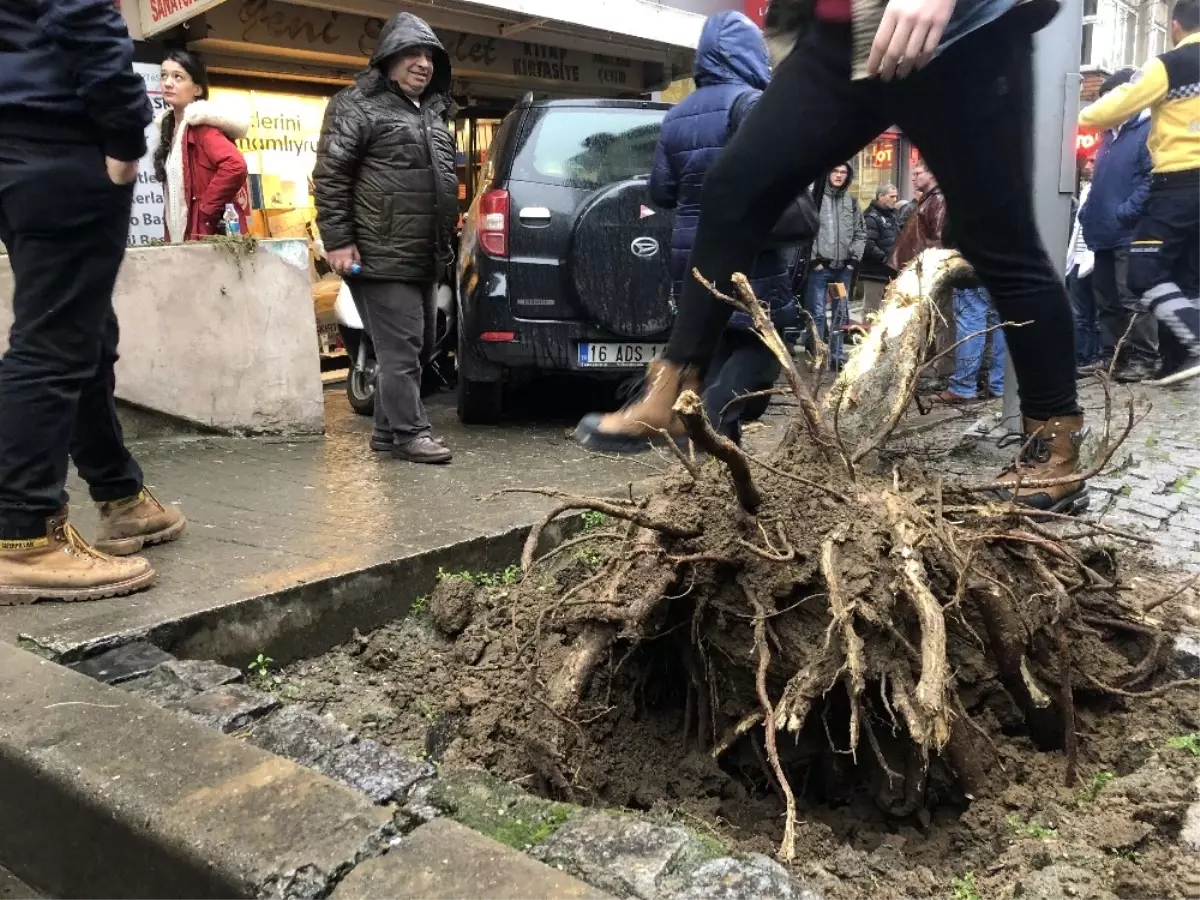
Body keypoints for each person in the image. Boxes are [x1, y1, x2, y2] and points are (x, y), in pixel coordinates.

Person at [576, 0, 1088, 515]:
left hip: (956, 32)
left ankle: (1054, 449)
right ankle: (675, 390)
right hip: (844, 32)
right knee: (734, 189)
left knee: (999, 240)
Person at [0, 0, 187, 603]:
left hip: (18, 138)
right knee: (54, 338)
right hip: (58, 133)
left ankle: (118, 491)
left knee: (81, 327)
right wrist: (124, 130)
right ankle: (22, 533)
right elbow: (81, 11)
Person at [650, 11, 818, 444]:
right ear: (750, 55)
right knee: (764, 348)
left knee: (720, 354)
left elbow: (661, 193)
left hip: (693, 262)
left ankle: (720, 473)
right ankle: (703, 422)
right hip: (750, 258)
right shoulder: (754, 104)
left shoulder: (675, 116)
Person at [314, 12, 458, 464]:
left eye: (430, 55)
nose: (423, 63)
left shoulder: (432, 114)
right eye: (413, 53)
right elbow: (331, 176)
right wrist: (338, 241)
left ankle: (385, 432)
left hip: (424, 254)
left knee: (420, 345)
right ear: (389, 57)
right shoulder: (356, 105)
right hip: (380, 253)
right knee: (403, 349)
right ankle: (411, 433)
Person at [1081, 0, 1200, 387]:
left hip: (1180, 183)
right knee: (1188, 278)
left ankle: (1194, 338)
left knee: (1144, 274)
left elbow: (1103, 112)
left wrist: (1065, 112)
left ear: (1175, 25)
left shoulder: (1170, 65)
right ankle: (1178, 361)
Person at [1078, 69, 1155, 383]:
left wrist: (1127, 211)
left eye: (1107, 99)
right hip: (1103, 232)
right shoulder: (1109, 136)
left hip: (1130, 233)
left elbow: (1154, 177)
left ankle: (1145, 358)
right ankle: (1113, 357)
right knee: (1106, 299)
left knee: (1131, 297)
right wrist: (1089, 215)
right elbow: (1100, 183)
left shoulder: (1147, 130)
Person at [154, 51, 250, 243]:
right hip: (181, 237)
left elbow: (235, 165)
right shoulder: (170, 129)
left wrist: (205, 212)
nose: (167, 83)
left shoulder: (202, 128)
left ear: (197, 89)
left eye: (177, 77)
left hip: (206, 238)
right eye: (164, 75)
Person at [805, 163, 865, 369]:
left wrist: (853, 261)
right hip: (821, 267)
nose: (839, 176)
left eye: (843, 173)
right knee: (818, 314)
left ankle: (837, 357)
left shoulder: (852, 201)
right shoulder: (815, 200)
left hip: (843, 269)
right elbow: (807, 233)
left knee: (840, 313)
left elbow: (860, 233)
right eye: (835, 171)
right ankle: (819, 354)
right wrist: (814, 261)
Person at [1067, 157, 1104, 374]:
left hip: (1097, 257)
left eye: (1092, 161)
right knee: (1080, 315)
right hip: (1078, 259)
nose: (1087, 167)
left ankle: (1099, 358)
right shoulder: (1086, 190)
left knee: (1098, 314)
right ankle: (1081, 360)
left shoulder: (1108, 189)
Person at [889, 159, 946, 271]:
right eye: (913, 174)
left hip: (920, 268)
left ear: (931, 174)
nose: (913, 178)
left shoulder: (938, 200)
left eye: (917, 173)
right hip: (913, 266)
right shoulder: (929, 199)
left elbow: (939, 239)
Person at [862, 183, 902, 279]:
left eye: (896, 196)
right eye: (891, 196)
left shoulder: (894, 215)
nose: (895, 200)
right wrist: (886, 260)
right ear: (881, 196)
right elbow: (868, 245)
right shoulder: (870, 217)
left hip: (890, 270)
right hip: (875, 273)